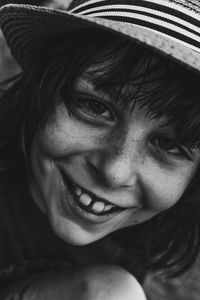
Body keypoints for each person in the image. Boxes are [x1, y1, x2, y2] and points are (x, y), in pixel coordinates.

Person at [0, 0, 200, 299]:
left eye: (167, 144)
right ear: (41, 89)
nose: (114, 172)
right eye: (96, 107)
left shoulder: (135, 238)